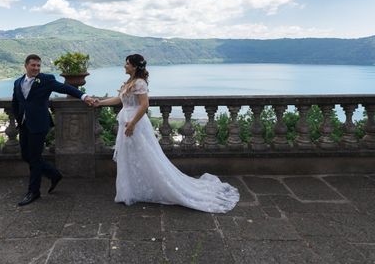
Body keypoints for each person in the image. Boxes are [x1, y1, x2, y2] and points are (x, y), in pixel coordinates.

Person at [94, 54, 239, 213]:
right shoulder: (131, 82)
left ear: (135, 67)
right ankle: (131, 189)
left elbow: (144, 105)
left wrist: (132, 124)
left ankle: (152, 188)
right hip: (126, 122)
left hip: (134, 124)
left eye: (127, 64)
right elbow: (119, 100)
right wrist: (100, 102)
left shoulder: (140, 83)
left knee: (147, 156)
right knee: (130, 156)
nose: (124, 66)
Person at [12, 54, 95, 206]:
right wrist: (18, 119)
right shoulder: (18, 82)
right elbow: (16, 102)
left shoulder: (46, 79)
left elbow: (65, 88)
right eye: (33, 65)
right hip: (24, 125)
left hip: (39, 124)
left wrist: (84, 96)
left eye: (38, 65)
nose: (36, 68)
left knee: (35, 158)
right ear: (26, 66)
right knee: (26, 155)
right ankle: (54, 174)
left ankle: (34, 191)